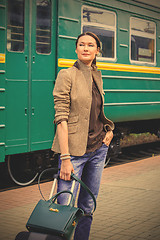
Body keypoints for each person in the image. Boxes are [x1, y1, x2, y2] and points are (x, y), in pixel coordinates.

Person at [51, 32, 114, 240]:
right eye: (81, 45)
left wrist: (109, 129)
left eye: (90, 45)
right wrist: (66, 158)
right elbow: (61, 118)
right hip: (74, 153)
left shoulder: (97, 75)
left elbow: (97, 112)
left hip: (98, 150)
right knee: (64, 208)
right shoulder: (66, 75)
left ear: (98, 50)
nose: (86, 48)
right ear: (76, 49)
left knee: (87, 206)